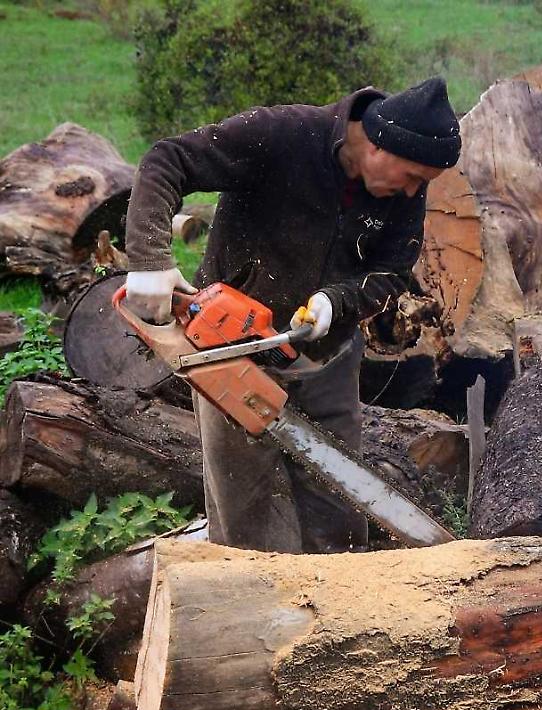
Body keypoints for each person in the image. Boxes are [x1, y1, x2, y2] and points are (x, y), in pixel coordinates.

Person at [123, 77, 461, 553]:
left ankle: (345, 611)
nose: (412, 191)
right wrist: (149, 261)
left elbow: (390, 272)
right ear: (380, 143)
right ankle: (253, 609)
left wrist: (335, 302)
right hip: (232, 354)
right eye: (411, 177)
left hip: (328, 357)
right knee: (247, 516)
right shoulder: (281, 136)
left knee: (340, 509)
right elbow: (167, 160)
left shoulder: (404, 193)